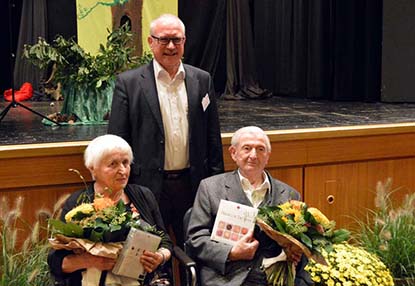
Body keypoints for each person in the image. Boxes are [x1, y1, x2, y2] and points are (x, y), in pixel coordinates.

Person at [108, 14, 224, 246]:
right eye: (164, 40)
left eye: (176, 40)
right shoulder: (128, 83)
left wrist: (215, 183)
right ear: (151, 42)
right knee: (151, 255)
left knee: (196, 252)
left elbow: (213, 137)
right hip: (147, 187)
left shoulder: (202, 80)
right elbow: (117, 140)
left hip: (193, 186)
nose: (171, 46)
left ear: (184, 42)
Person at [186, 126, 314, 286]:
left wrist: (295, 250)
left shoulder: (290, 195)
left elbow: (300, 241)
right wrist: (231, 253)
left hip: (274, 278)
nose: (253, 155)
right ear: (233, 153)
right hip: (227, 277)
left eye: (260, 149)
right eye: (247, 148)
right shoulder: (210, 188)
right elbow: (195, 239)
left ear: (268, 156)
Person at [48, 134, 173, 286]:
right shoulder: (78, 203)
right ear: (92, 168)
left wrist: (159, 257)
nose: (122, 170)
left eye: (125, 163)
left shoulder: (143, 195)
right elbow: (56, 262)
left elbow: (165, 241)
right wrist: (90, 261)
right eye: (113, 164)